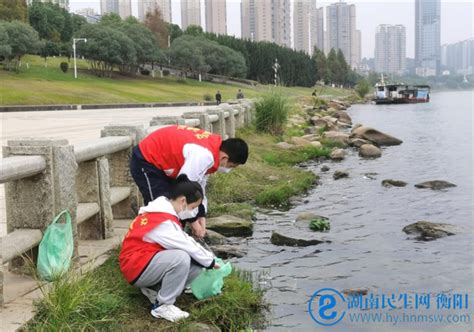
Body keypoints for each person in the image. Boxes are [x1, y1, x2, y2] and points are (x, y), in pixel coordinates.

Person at [119, 175, 219, 322]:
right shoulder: (162, 220)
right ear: (183, 201)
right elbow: (185, 243)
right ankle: (163, 305)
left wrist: (206, 261)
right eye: (193, 208)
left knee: (196, 263)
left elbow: (185, 242)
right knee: (181, 257)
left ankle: (154, 290)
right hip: (135, 267)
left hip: (145, 262)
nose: (194, 213)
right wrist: (211, 261)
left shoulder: (162, 212)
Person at [129, 124, 249, 238]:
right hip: (147, 159)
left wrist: (201, 214)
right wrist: (193, 221)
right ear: (224, 158)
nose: (228, 170)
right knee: (160, 205)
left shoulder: (213, 149)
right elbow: (185, 188)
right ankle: (149, 242)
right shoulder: (204, 155)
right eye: (231, 166)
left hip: (164, 162)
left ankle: (174, 238)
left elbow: (198, 185)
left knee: (176, 206)